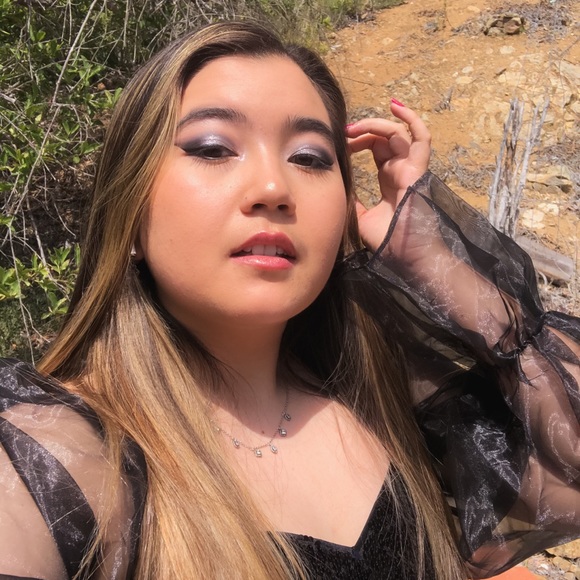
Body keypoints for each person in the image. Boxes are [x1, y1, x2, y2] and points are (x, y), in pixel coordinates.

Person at [0, 20, 578, 580]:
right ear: (128, 211)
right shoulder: (56, 456)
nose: (275, 188)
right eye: (212, 148)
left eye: (309, 158)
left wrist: (429, 258)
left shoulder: (385, 396)